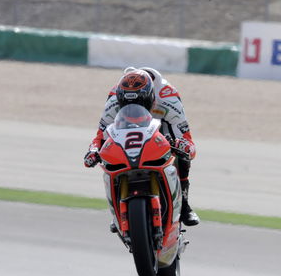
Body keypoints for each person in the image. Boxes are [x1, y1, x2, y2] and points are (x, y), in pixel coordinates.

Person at [83, 67, 200, 226]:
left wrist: (184, 146)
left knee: (182, 155)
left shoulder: (168, 97)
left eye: (138, 103)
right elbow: (101, 135)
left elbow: (187, 139)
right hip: (126, 126)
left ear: (151, 97)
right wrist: (93, 151)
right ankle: (118, 209)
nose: (133, 107)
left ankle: (184, 205)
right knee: (109, 154)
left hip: (162, 124)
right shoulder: (113, 100)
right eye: (126, 104)